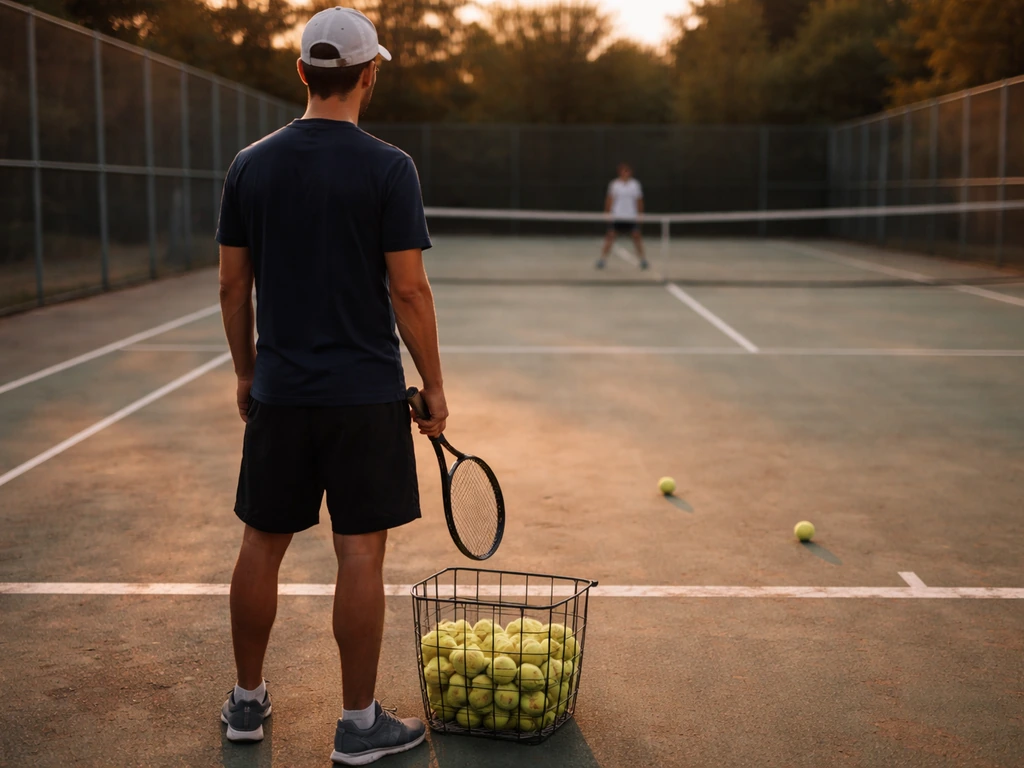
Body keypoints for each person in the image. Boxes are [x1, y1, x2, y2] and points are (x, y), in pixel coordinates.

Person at [215, 7, 446, 765]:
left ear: (302, 73)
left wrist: (248, 373)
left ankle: (246, 705)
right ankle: (357, 724)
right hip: (363, 397)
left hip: (281, 394)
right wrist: (433, 386)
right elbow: (409, 292)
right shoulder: (389, 167)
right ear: (369, 74)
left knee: (261, 543)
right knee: (360, 556)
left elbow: (230, 285)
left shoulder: (251, 163)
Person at [596, 162, 648, 270]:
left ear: (630, 172)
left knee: (636, 237)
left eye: (627, 171)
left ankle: (643, 260)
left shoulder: (635, 185)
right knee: (610, 237)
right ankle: (602, 260)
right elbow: (609, 200)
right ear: (620, 172)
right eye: (623, 171)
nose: (626, 173)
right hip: (617, 217)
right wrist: (607, 213)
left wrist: (640, 214)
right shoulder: (614, 184)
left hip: (631, 217)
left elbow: (639, 201)